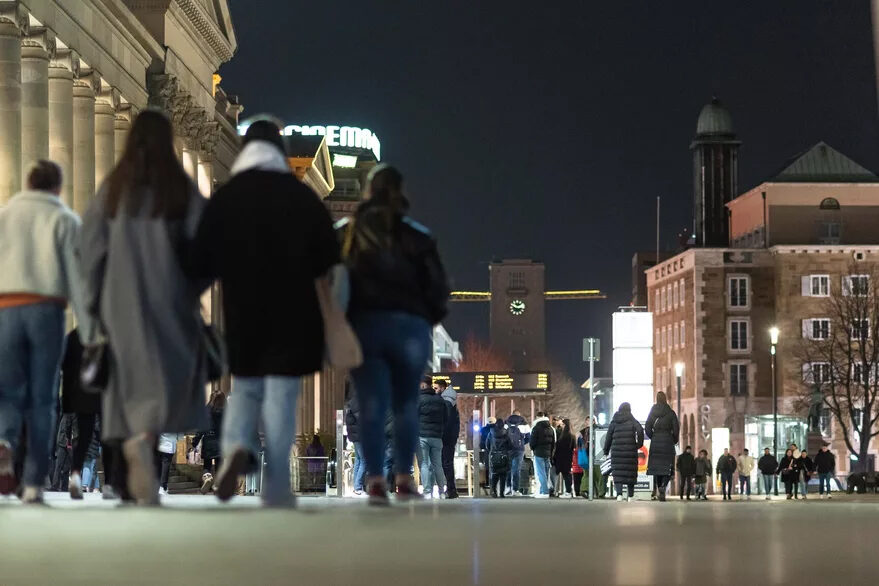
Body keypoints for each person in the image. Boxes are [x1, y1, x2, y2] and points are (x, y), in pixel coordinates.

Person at [186, 118, 341, 508]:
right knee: (282, 394)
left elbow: (201, 256)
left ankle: (236, 447)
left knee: (246, 386)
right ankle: (275, 485)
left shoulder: (229, 197)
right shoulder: (300, 197)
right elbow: (329, 257)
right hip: (292, 312)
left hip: (243, 308)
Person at [81, 111, 210, 506]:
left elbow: (89, 250)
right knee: (163, 383)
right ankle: (147, 444)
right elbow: (206, 249)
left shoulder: (114, 189)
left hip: (120, 303)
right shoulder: (180, 189)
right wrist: (192, 291)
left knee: (126, 385)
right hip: (169, 301)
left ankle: (133, 447)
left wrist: (94, 303)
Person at [336, 164, 449, 505]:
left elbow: (328, 278)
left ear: (367, 191)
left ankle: (373, 479)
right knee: (405, 404)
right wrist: (426, 317)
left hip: (365, 325)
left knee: (371, 403)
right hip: (409, 327)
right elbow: (439, 287)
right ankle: (403, 476)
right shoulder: (418, 236)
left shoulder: (347, 233)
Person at [0, 160, 98, 504]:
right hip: (46, 310)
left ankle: (5, 442)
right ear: (58, 188)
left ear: (27, 183)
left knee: (8, 392)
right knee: (43, 398)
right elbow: (77, 280)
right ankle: (31, 483)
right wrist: (88, 333)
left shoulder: (4, 215)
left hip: (6, 309)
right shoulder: (66, 220)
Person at [59, 328, 108, 500]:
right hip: (106, 394)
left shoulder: (74, 336)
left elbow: (65, 366)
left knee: (84, 437)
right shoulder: (110, 333)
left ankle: (76, 476)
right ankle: (109, 484)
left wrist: (68, 402)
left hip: (82, 394)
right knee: (108, 439)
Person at [604, 402, 645, 502]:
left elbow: (608, 437)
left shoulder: (614, 421)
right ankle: (630, 496)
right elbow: (640, 430)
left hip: (616, 452)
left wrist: (606, 450)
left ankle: (619, 495)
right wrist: (638, 444)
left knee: (618, 473)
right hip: (630, 451)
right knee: (630, 473)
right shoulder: (632, 420)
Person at [645, 391, 680, 501]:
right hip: (667, 442)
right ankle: (663, 486)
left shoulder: (652, 412)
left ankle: (659, 487)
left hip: (655, 442)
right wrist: (673, 440)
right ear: (665, 399)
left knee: (656, 468)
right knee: (666, 467)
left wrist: (653, 436)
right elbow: (676, 429)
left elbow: (647, 428)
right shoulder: (671, 413)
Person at [417, 375, 447, 498]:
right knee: (437, 465)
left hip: (422, 437)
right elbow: (446, 419)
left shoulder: (418, 399)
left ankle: (427, 491)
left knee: (423, 464)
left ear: (423, 385)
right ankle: (441, 491)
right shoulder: (440, 400)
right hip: (437, 437)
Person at [191, 391, 225, 494]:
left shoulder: (206, 411)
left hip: (208, 441)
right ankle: (217, 486)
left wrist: (194, 442)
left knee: (207, 465)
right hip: (220, 441)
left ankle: (207, 477)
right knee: (219, 465)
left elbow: (200, 429)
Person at [438, 380, 460, 499]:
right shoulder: (452, 404)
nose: (435, 390)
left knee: (445, 463)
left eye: (436, 388)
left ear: (442, 388)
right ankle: (451, 490)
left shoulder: (446, 404)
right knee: (447, 463)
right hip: (450, 438)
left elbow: (446, 423)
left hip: (445, 438)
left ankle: (450, 490)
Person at [530, 412, 556, 498]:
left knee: (541, 473)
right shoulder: (551, 428)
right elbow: (553, 443)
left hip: (538, 453)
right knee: (545, 472)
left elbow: (532, 442)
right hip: (548, 453)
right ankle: (542, 491)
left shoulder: (536, 428)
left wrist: (533, 449)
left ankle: (544, 492)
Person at [345, 389, 366, 496]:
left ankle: (356, 487)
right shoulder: (358, 402)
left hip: (355, 436)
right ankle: (357, 487)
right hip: (360, 436)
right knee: (364, 461)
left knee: (358, 460)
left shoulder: (351, 403)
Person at [488, 418, 513, 497]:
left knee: (494, 474)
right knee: (503, 475)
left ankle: (494, 492)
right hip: (504, 456)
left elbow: (487, 445)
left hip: (494, 455)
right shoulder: (506, 433)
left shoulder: (491, 433)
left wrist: (492, 451)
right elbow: (510, 445)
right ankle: (502, 493)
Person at [506, 410, 527, 495]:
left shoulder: (506, 422)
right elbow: (528, 436)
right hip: (519, 449)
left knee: (508, 469)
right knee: (516, 470)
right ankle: (515, 489)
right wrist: (522, 443)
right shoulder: (524, 423)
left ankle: (507, 488)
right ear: (519, 414)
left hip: (508, 449)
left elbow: (503, 435)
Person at [553, 418, 575, 497]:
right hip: (568, 457)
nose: (561, 426)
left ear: (565, 425)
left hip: (562, 458)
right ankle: (568, 491)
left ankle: (568, 492)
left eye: (562, 424)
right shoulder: (572, 435)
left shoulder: (565, 436)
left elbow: (559, 447)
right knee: (567, 474)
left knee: (566, 475)